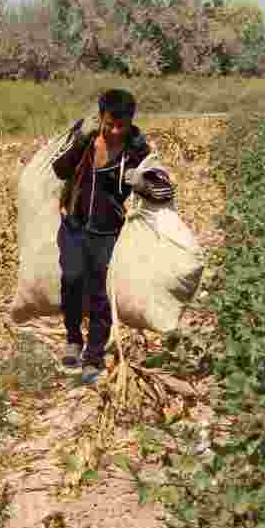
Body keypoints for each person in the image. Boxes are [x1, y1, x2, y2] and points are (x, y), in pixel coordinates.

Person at [50, 88, 174, 384]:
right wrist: (80, 141)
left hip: (109, 233)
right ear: (101, 117)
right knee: (72, 278)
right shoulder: (87, 140)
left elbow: (164, 190)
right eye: (110, 123)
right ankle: (72, 339)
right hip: (74, 224)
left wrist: (142, 182)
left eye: (123, 125)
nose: (116, 130)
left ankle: (92, 357)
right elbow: (59, 169)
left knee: (102, 295)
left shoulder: (138, 150)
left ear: (131, 121)